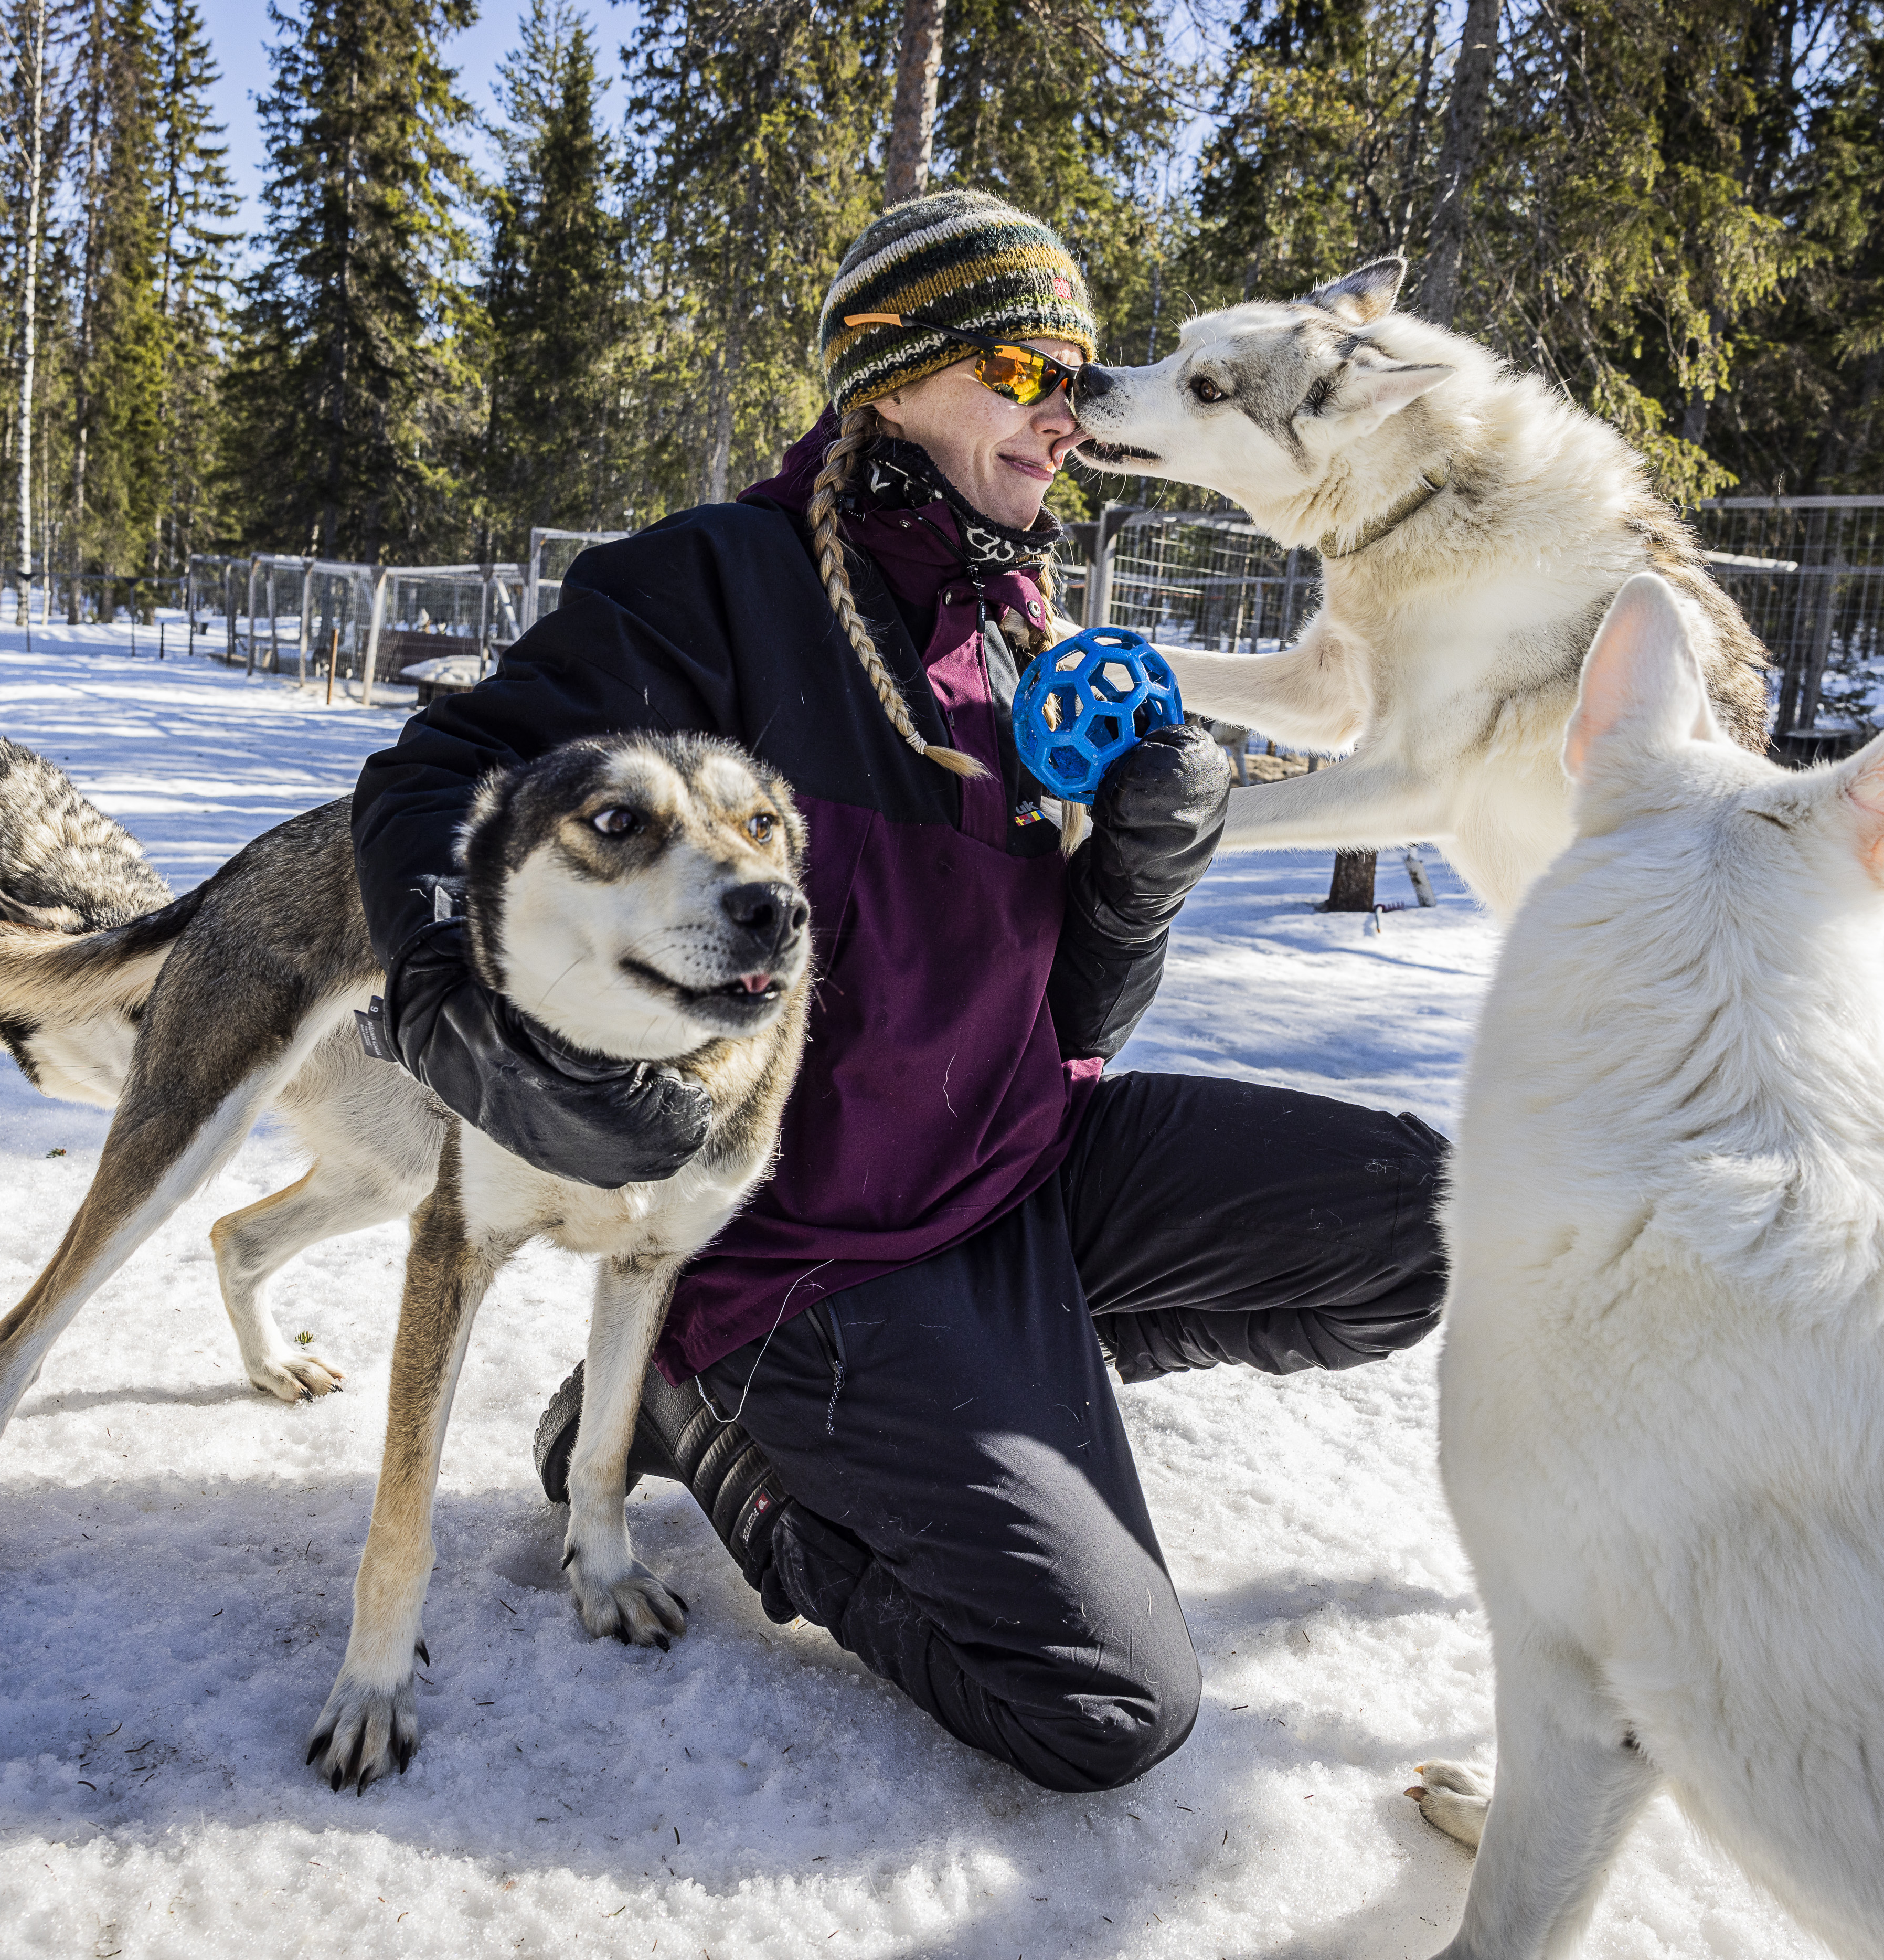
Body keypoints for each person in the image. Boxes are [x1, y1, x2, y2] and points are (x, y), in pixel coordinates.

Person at [353, 190, 1447, 1794]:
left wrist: (1139, 870)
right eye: (1022, 367)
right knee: (1101, 1707)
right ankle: (704, 1416)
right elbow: (441, 771)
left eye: (1077, 378)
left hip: (1024, 1171)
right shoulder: (711, 586)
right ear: (890, 368)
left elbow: (1072, 1026)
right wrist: (456, 996)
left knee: (1437, 1217)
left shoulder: (1022, 636)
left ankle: (980, 1390)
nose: (1066, 414)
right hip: (810, 1249)